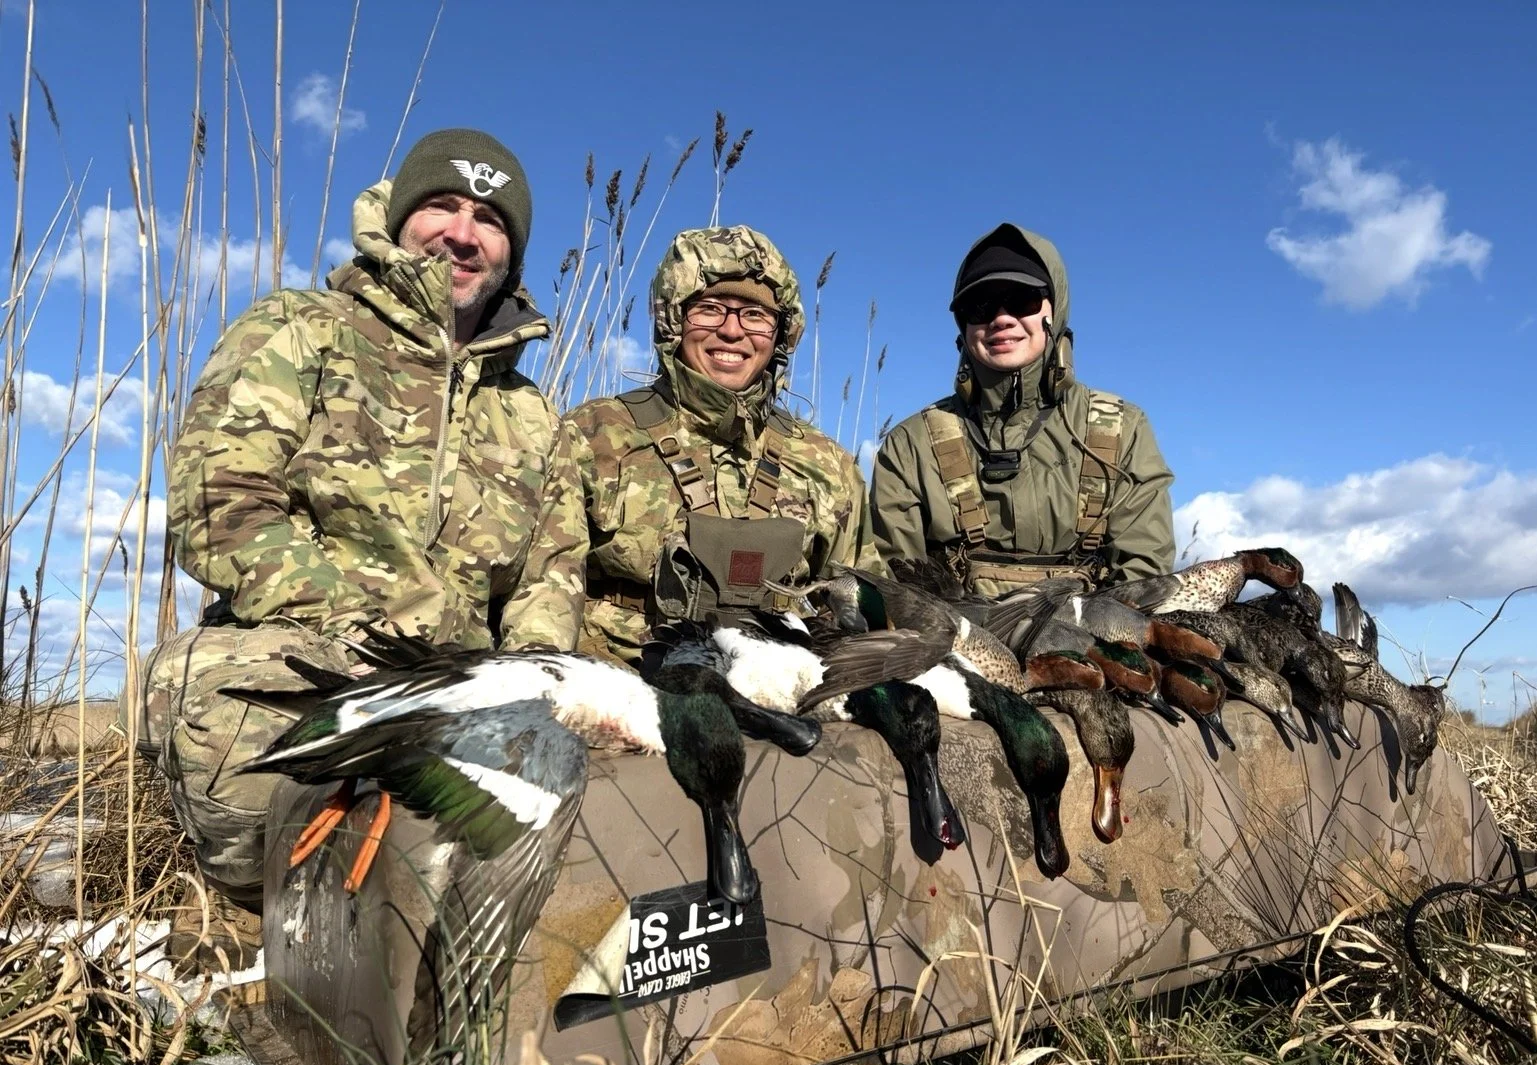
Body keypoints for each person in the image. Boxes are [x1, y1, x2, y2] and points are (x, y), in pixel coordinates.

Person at [133, 129, 587, 959]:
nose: (461, 232)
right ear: (400, 216)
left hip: (468, 683)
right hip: (326, 653)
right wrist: (374, 622)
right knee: (203, 688)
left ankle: (445, 927)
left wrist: (530, 677)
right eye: (442, 206)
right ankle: (254, 915)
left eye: (489, 219)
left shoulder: (533, 413)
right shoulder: (301, 329)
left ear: (509, 251)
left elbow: (548, 575)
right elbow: (221, 505)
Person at [564, 225, 882, 664]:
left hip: (779, 690)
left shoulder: (828, 465)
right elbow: (537, 588)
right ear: (673, 320)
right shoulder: (593, 434)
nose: (733, 331)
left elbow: (863, 600)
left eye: (755, 315)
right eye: (710, 309)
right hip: (623, 685)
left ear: (780, 334)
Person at [870, 224, 1174, 594]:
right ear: (963, 326)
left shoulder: (1123, 429)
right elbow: (898, 587)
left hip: (1092, 646)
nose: (1001, 318)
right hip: (955, 646)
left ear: (1054, 311)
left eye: (1022, 299)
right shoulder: (910, 445)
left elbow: (1143, 575)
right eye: (979, 305)